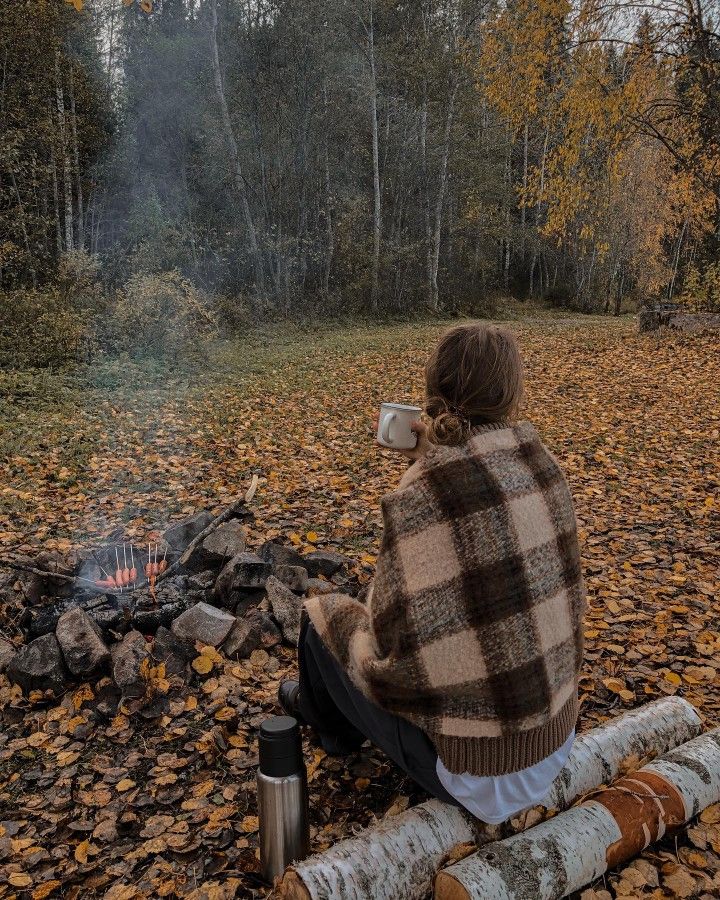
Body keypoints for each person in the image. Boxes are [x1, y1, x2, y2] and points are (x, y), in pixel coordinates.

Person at [278, 323, 586, 823]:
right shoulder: (541, 463)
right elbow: (483, 496)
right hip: (552, 742)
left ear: (434, 390)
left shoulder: (422, 490)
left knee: (325, 618)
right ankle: (330, 715)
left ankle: (329, 730)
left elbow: (390, 637)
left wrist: (421, 471)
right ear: (510, 393)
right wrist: (432, 455)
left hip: (477, 777)